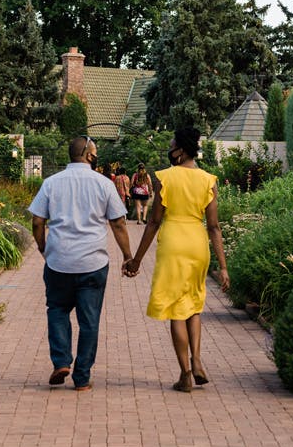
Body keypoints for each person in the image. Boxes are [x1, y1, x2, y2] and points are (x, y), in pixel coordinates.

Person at [122, 127, 229, 393]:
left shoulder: (165, 178)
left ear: (180, 150)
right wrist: (224, 267)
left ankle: (185, 375)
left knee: (175, 312)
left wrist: (136, 260)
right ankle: (197, 360)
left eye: (172, 144)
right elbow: (214, 227)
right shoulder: (208, 180)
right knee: (193, 306)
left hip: (173, 244)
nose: (170, 149)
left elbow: (154, 221)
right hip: (197, 243)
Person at [29, 136, 132, 391]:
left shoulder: (51, 183)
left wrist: (43, 247)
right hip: (93, 262)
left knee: (57, 309)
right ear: (88, 155)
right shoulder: (103, 184)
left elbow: (37, 221)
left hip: (58, 261)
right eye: (95, 152)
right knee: (89, 320)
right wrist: (128, 256)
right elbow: (118, 223)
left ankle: (61, 361)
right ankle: (82, 377)